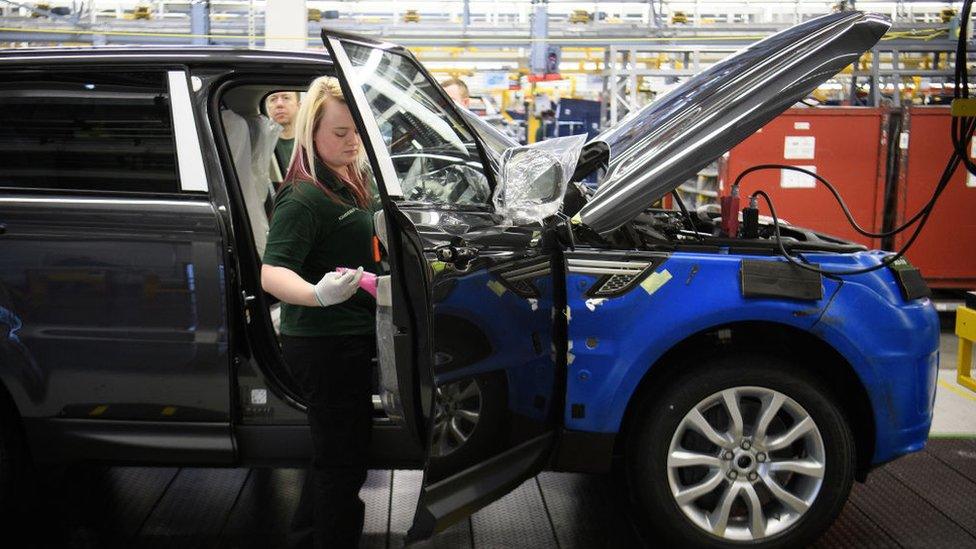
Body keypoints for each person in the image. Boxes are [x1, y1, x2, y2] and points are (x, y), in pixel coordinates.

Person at [261, 76, 379, 549]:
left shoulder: (350, 182)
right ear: (312, 132)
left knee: (338, 455)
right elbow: (272, 274)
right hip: (323, 341)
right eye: (339, 132)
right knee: (342, 460)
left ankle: (308, 536)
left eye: (357, 131)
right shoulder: (304, 196)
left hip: (348, 337)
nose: (351, 141)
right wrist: (317, 294)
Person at [266, 90, 301, 177]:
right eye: (273, 99)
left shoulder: (311, 141)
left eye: (286, 98)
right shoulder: (263, 145)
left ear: (299, 106)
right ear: (267, 108)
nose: (279, 104)